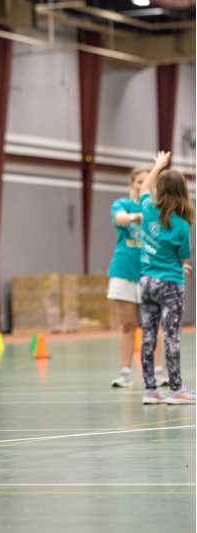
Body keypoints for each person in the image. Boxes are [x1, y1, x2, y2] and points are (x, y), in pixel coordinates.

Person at [138, 150, 194, 405]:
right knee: (171, 336)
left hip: (146, 282)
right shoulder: (182, 225)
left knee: (148, 335)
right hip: (170, 283)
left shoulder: (149, 209)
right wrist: (182, 266)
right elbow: (184, 258)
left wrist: (158, 166)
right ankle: (176, 389)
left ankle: (150, 390)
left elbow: (144, 189)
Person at [107, 166, 165, 388]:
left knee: (153, 325)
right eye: (139, 181)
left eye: (147, 181)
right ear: (132, 183)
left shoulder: (157, 209)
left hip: (150, 273)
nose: (143, 185)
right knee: (128, 324)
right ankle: (125, 373)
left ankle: (158, 373)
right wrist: (135, 217)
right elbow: (120, 219)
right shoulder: (122, 204)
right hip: (123, 272)